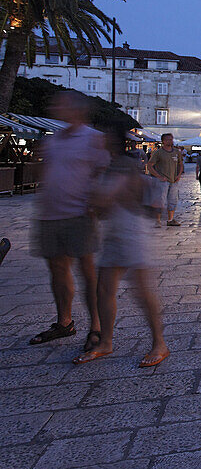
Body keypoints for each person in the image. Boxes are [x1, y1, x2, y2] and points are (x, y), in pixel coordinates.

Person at [73, 123, 169, 368]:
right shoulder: (110, 166)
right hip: (115, 229)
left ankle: (159, 343)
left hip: (131, 229)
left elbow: (105, 198)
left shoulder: (124, 166)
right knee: (104, 289)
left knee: (141, 290)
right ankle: (106, 341)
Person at [29, 91, 108, 350]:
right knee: (57, 269)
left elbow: (103, 172)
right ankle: (65, 322)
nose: (55, 107)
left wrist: (94, 202)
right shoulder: (53, 141)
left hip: (78, 214)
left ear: (77, 110)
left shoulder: (93, 139)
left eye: (60, 104)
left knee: (86, 271)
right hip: (50, 214)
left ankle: (96, 327)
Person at [146, 133, 184, 227]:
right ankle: (157, 220)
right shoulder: (158, 152)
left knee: (173, 200)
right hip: (162, 180)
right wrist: (158, 176)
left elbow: (180, 164)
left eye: (171, 139)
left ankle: (170, 219)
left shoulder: (176, 152)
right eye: (167, 139)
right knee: (160, 200)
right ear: (163, 141)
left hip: (174, 180)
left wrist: (178, 175)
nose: (170, 141)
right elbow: (150, 165)